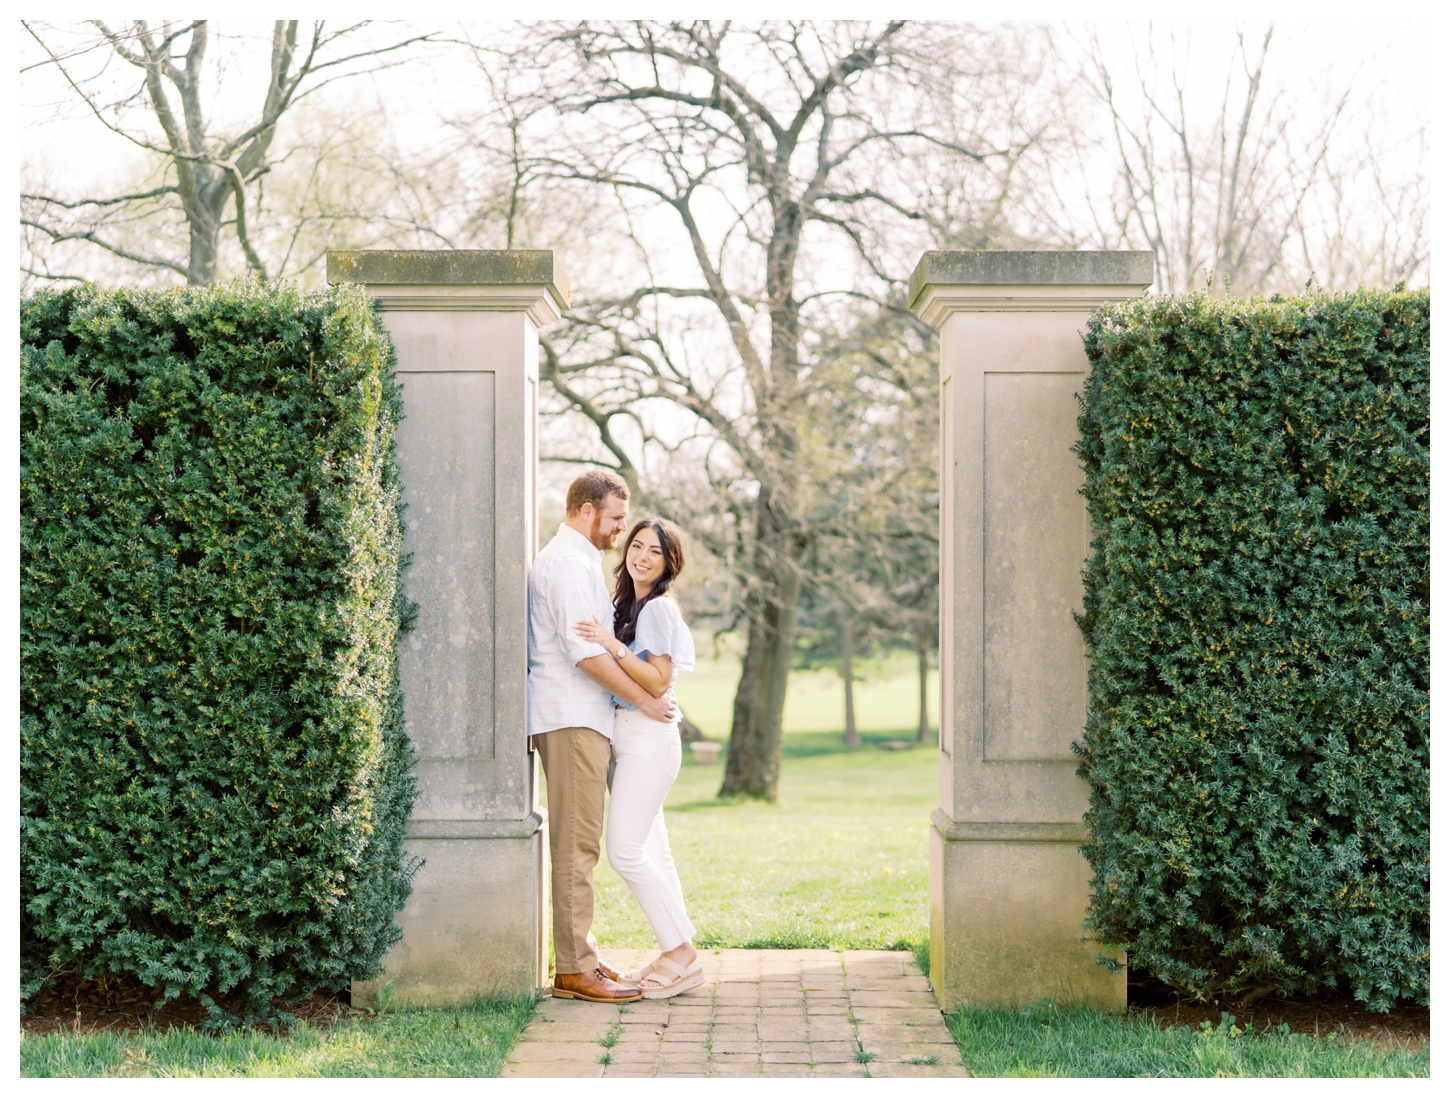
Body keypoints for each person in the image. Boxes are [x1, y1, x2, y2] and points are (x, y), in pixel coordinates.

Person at [527, 471, 677, 1003]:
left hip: (582, 720)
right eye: (616, 518)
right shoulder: (568, 565)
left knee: (583, 842)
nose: (620, 529)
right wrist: (646, 700)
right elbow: (584, 654)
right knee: (578, 845)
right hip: (570, 719)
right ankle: (573, 970)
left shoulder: (579, 562)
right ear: (587, 511)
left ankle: (579, 957)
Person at [575, 516, 702, 999]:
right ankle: (679, 952)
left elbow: (658, 681)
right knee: (654, 851)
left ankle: (681, 952)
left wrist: (609, 645)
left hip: (648, 739)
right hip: (630, 737)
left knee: (625, 851)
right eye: (638, 546)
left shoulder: (657, 610)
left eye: (655, 552)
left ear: (670, 563)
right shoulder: (630, 603)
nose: (642, 557)